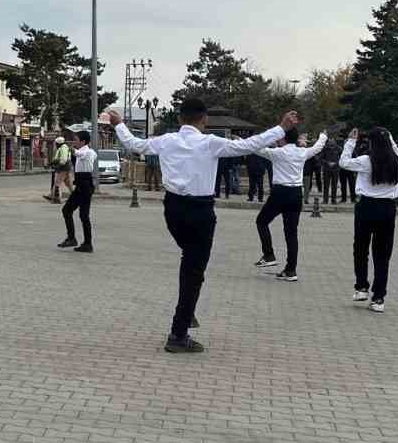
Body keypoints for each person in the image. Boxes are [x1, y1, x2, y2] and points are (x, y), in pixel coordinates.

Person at [108, 100, 295, 353]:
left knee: (191, 263)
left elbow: (134, 145)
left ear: (179, 119)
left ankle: (188, 311)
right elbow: (248, 145)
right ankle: (178, 332)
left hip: (172, 209)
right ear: (204, 119)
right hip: (200, 211)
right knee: (193, 271)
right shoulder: (211, 143)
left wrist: (119, 124)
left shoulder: (167, 140)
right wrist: (280, 128)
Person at [340, 127, 398, 313]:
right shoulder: (397, 161)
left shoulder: (366, 161)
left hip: (366, 207)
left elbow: (343, 162)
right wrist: (391, 139)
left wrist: (351, 142)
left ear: (372, 143)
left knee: (360, 248)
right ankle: (379, 297)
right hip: (387, 208)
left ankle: (361, 287)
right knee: (382, 254)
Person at [255, 128, 328, 280]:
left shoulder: (277, 153)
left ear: (282, 139)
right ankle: (291, 270)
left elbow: (256, 148)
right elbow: (317, 147)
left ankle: (269, 255)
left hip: (280, 192)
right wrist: (323, 136)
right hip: (296, 193)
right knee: (291, 233)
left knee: (261, 221)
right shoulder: (302, 152)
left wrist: (267, 139)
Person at [57, 129, 96, 253]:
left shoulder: (89, 152)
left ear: (83, 141)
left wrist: (71, 149)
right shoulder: (80, 152)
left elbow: (81, 154)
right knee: (83, 215)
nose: (74, 142)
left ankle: (73, 238)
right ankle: (87, 243)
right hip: (81, 184)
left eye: (76, 140)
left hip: (84, 185)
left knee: (67, 210)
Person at [47, 136, 70, 203]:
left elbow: (63, 159)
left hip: (63, 167)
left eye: (56, 143)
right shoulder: (61, 148)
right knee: (67, 183)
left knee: (57, 183)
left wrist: (58, 165)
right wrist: (52, 163)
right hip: (64, 167)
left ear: (59, 143)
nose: (56, 145)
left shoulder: (63, 148)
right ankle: (52, 196)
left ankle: (56, 198)